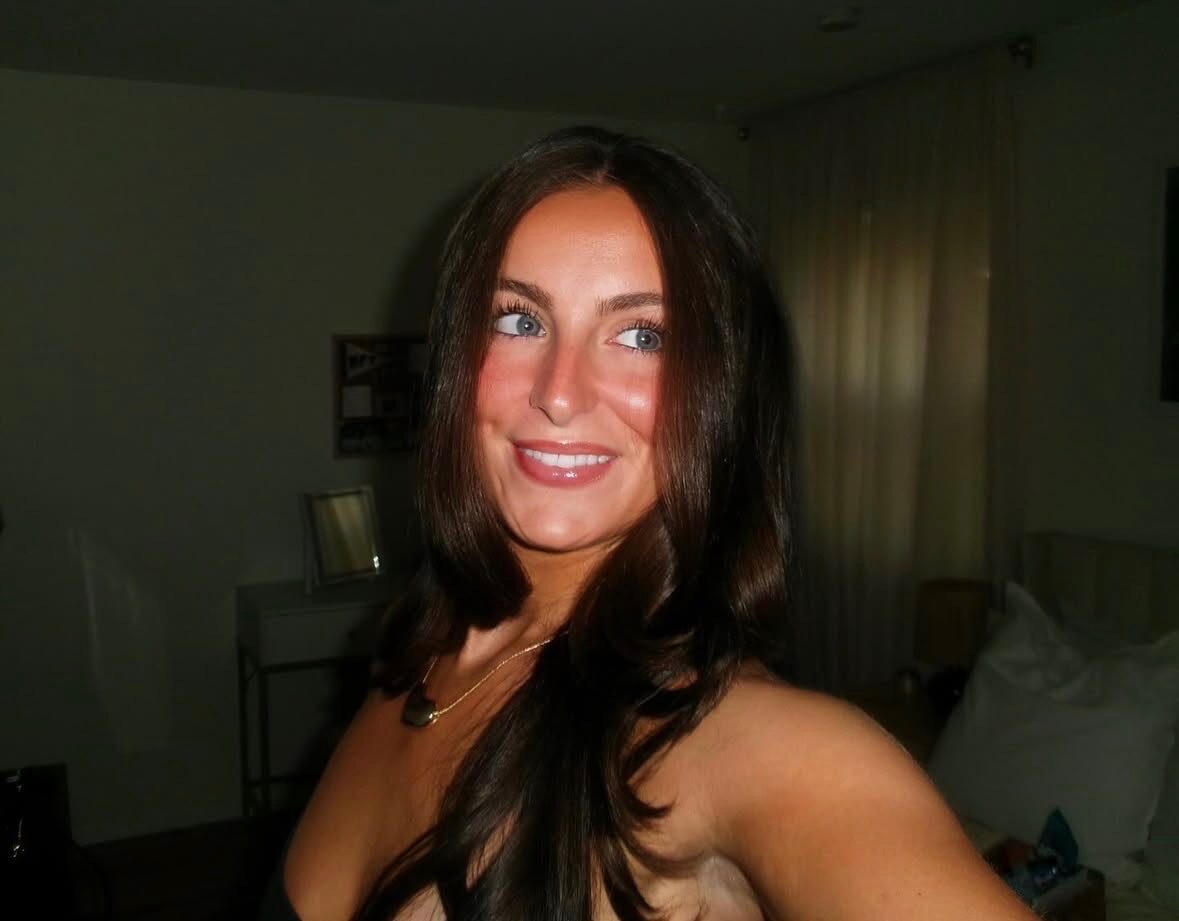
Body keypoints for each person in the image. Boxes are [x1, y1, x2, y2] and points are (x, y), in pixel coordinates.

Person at [271, 127, 1035, 920]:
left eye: (642, 336)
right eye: (518, 320)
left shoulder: (746, 745)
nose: (558, 393)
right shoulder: (415, 654)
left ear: (721, 393)